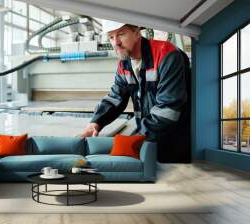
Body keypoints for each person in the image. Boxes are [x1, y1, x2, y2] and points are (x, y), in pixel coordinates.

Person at [80, 21, 191, 163]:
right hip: (148, 139)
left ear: (137, 33)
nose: (115, 43)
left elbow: (168, 109)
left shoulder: (166, 55)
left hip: (175, 141)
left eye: (121, 34)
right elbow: (115, 98)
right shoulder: (124, 63)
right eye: (111, 37)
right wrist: (95, 123)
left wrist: (135, 138)